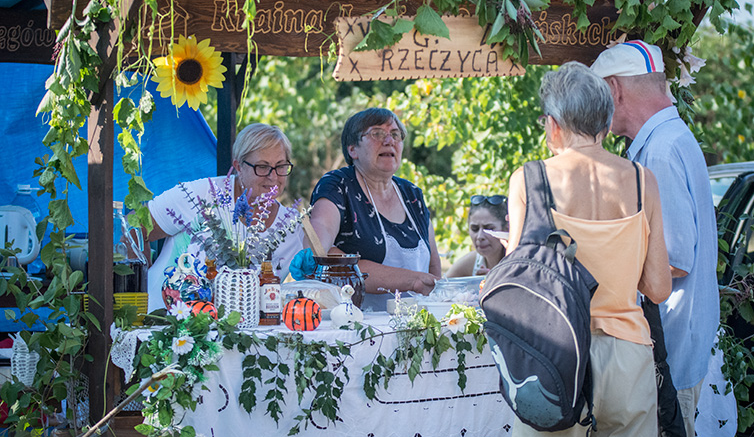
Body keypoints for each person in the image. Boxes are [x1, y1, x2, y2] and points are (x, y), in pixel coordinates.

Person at [505, 62, 672, 437]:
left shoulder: (529, 179)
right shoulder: (641, 179)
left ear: (554, 124)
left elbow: (515, 280)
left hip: (557, 356)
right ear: (605, 120)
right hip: (628, 357)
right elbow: (658, 287)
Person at [591, 40, 719, 437]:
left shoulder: (660, 151)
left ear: (614, 90)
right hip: (680, 341)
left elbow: (675, 261)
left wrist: (597, 266)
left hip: (672, 348)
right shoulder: (666, 138)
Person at [145, 123, 304, 312]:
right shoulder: (200, 195)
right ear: (238, 166)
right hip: (164, 327)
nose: (273, 177)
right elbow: (134, 229)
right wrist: (141, 292)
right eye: (262, 167)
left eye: (280, 166)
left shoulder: (292, 227)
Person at [307, 107, 441, 310]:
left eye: (395, 135)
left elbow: (433, 265)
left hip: (418, 324)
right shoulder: (339, 186)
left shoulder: (412, 194)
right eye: (377, 133)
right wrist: (411, 281)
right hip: (358, 327)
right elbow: (319, 250)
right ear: (352, 149)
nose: (389, 141)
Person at [446, 194, 507, 277]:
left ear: (506, 229)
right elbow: (442, 286)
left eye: (488, 229)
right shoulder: (471, 262)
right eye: (474, 229)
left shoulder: (519, 262)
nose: (480, 237)